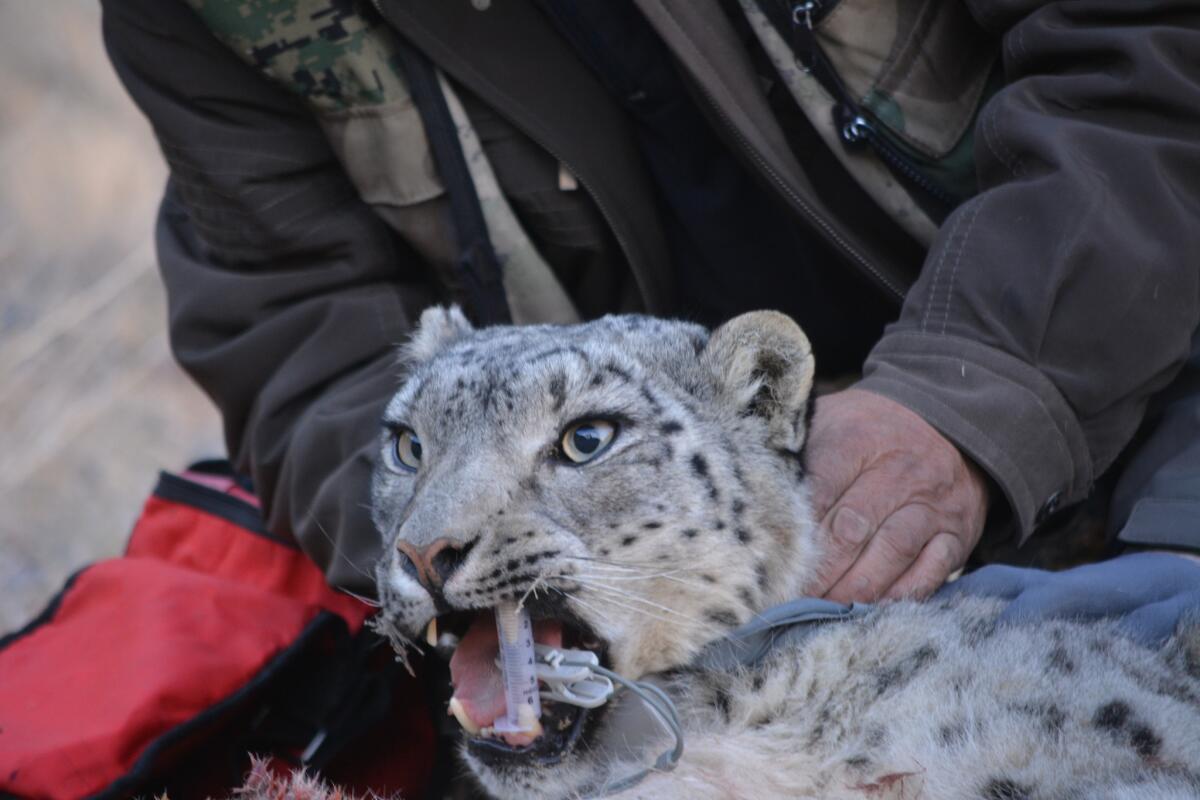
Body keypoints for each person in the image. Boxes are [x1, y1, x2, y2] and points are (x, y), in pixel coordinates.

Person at [99, 0, 1200, 619]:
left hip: (1149, 359)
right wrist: (503, 572)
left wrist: (973, 401)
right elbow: (302, 342)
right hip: (642, 582)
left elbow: (1149, 60)